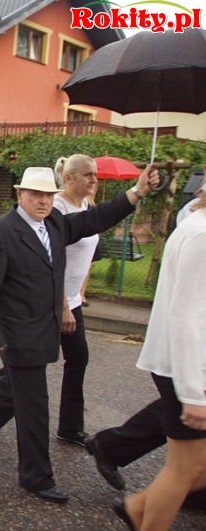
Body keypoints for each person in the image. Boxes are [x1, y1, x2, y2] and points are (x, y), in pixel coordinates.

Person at [0, 165, 158, 504]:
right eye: (36, 194)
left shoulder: (56, 223)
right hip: (18, 336)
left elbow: (96, 219)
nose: (43, 201)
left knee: (13, 394)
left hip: (45, 330)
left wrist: (136, 193)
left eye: (48, 195)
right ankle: (36, 477)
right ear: (20, 194)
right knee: (35, 407)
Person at [113, 196, 206, 530]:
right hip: (189, 370)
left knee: (195, 467)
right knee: (186, 469)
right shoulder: (201, 233)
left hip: (191, 365)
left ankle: (137, 508)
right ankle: (140, 513)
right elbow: (184, 314)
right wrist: (193, 393)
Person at [52, 155, 100, 446]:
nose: (94, 180)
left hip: (72, 301)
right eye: (88, 174)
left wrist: (80, 292)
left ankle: (70, 428)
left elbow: (88, 256)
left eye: (95, 174)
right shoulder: (57, 208)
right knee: (29, 362)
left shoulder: (86, 207)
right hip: (52, 302)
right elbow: (52, 262)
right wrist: (64, 307)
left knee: (78, 358)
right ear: (69, 178)